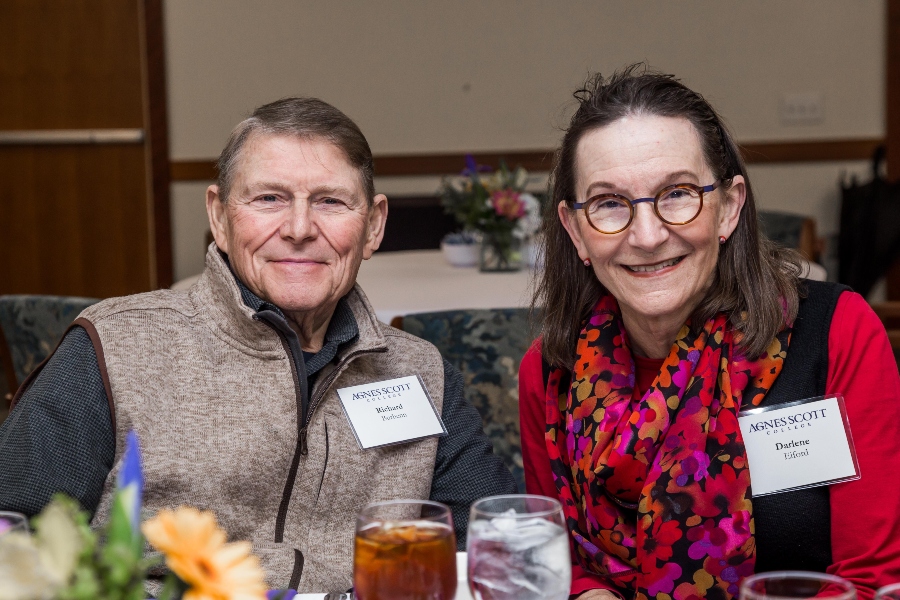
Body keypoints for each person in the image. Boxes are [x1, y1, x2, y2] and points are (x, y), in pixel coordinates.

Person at [0, 97, 516, 592]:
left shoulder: (420, 373)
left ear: (374, 226)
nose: (298, 229)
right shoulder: (115, 349)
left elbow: (491, 551)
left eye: (330, 201)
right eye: (269, 198)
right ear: (220, 217)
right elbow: (14, 546)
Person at [519, 65, 900, 600]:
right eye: (609, 204)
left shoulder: (837, 333)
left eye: (677, 194)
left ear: (728, 207)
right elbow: (557, 558)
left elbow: (873, 578)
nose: (647, 236)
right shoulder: (549, 371)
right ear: (576, 230)